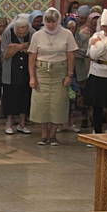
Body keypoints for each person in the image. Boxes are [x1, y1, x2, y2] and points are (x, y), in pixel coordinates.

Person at [28, 7, 76, 145]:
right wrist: (32, 77)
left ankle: (53, 134)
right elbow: (32, 57)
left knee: (58, 103)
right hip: (42, 72)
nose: (51, 25)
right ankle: (44, 135)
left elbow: (71, 55)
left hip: (59, 72)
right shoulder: (37, 35)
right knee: (41, 104)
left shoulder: (67, 34)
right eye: (48, 22)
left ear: (58, 21)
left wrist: (69, 75)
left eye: (54, 22)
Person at [1, 15, 33, 134]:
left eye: (24, 32)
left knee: (25, 97)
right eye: (19, 32)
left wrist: (15, 47)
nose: (22, 34)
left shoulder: (33, 33)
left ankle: (22, 124)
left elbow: (33, 51)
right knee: (10, 97)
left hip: (26, 71)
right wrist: (22, 46)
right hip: (10, 71)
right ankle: (9, 123)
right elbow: (5, 54)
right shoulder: (7, 33)